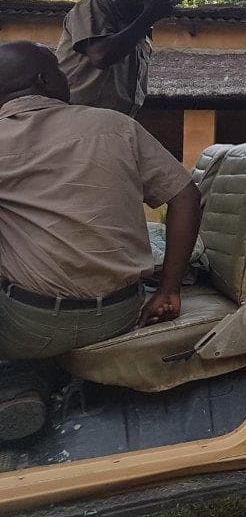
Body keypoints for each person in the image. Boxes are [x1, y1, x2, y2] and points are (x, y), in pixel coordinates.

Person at [0, 42, 202, 439]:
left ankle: (20, 379)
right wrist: (168, 290)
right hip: (120, 314)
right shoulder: (116, 126)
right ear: (44, 80)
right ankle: (35, 377)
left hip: (28, 324)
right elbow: (186, 196)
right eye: (60, 70)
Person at [55, 0, 175, 116]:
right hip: (75, 116)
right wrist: (148, 17)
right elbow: (101, 55)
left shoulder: (140, 29)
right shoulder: (95, 4)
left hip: (114, 120)